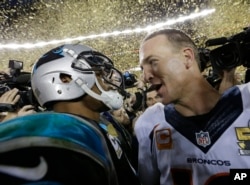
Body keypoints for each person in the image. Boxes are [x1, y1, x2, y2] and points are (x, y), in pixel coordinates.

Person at [136, 28, 250, 185]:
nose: (146, 76)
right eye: (142, 68)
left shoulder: (246, 101)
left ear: (187, 57)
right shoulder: (150, 122)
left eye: (153, 62)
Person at [29, 43, 140, 185]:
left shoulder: (98, 124)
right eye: (99, 74)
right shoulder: (65, 139)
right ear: (65, 78)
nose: (109, 82)